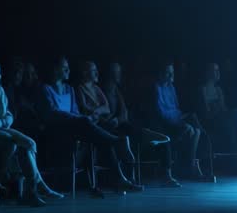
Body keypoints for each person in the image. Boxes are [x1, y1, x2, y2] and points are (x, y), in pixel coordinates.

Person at [40, 57, 142, 194]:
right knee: (88, 124)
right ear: (55, 69)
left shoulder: (69, 89)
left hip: (74, 126)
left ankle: (118, 178)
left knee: (99, 138)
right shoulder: (45, 89)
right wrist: (78, 118)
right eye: (64, 67)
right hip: (57, 129)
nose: (68, 70)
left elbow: (75, 111)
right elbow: (52, 113)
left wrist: (78, 118)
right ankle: (115, 143)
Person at [0, 60, 62, 206]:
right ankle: (30, 188)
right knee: (11, 142)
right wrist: (2, 121)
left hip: (1, 127)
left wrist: (2, 121)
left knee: (29, 143)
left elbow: (8, 114)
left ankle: (36, 187)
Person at [76, 60, 180, 188]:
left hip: (118, 124)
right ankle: (127, 177)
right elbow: (88, 112)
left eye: (119, 71)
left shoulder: (112, 91)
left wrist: (110, 117)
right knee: (120, 139)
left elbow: (115, 111)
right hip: (106, 127)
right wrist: (104, 116)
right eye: (117, 72)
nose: (120, 75)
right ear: (110, 74)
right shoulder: (92, 89)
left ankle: (151, 142)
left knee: (150, 136)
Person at [148, 62, 208, 180]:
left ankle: (191, 164)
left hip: (176, 119)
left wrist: (183, 116)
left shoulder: (171, 88)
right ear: (160, 74)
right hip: (164, 123)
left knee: (197, 131)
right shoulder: (156, 88)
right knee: (189, 129)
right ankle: (187, 166)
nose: (171, 76)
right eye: (168, 73)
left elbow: (176, 108)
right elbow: (161, 112)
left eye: (172, 72)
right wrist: (179, 119)